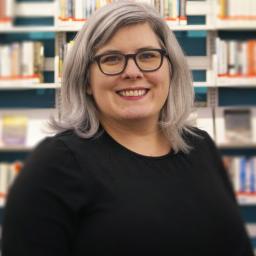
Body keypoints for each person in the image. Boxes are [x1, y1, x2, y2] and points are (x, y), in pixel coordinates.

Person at [2, 1, 254, 256]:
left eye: (147, 56)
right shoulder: (55, 165)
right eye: (111, 59)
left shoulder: (200, 146)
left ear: (171, 68)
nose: (132, 72)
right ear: (86, 80)